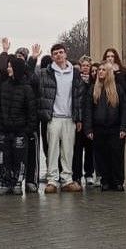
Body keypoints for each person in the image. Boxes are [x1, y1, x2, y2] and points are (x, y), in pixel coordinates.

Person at [38, 42, 87, 193]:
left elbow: (79, 97)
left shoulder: (75, 73)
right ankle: (52, 180)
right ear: (52, 57)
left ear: (65, 54)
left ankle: (67, 179)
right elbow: (32, 80)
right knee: (52, 150)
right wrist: (33, 58)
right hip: (53, 117)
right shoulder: (45, 73)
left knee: (68, 150)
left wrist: (79, 118)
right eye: (55, 53)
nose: (58, 55)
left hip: (69, 117)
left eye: (61, 52)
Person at [0, 55, 38, 194]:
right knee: (3, 158)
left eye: (11, 67)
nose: (8, 69)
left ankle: (17, 183)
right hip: (4, 130)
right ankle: (5, 182)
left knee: (20, 158)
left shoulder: (27, 88)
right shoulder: (3, 86)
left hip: (20, 131)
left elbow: (32, 112)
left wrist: (28, 129)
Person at [86, 63, 126, 191]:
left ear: (109, 72)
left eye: (103, 70)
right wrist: (88, 129)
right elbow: (88, 110)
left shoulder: (118, 89)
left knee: (116, 155)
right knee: (101, 156)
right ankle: (105, 181)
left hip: (115, 128)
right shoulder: (93, 89)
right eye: (99, 69)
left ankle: (118, 181)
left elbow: (124, 110)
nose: (100, 72)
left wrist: (124, 127)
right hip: (98, 128)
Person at [70, 56, 97, 187]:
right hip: (80, 119)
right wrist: (78, 118)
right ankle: (76, 175)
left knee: (90, 148)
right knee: (78, 149)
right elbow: (76, 101)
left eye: (88, 65)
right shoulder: (76, 80)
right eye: (83, 65)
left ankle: (89, 174)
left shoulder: (94, 81)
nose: (85, 67)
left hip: (90, 119)